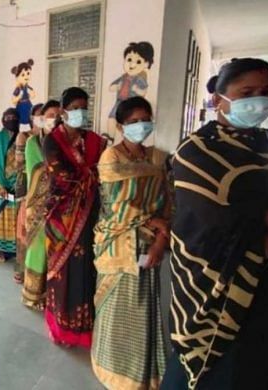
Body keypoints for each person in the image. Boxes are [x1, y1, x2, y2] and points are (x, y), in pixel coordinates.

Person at [162, 58, 268, 390]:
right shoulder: (196, 152)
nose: (259, 100)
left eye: (266, 92)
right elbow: (215, 227)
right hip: (218, 289)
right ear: (219, 99)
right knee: (226, 372)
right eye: (247, 92)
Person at [91, 96, 169, 389]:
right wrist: (150, 221)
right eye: (133, 121)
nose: (140, 126)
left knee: (143, 307)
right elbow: (114, 205)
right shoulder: (111, 158)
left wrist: (161, 239)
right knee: (115, 310)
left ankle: (142, 373)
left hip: (150, 243)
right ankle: (111, 368)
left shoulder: (159, 159)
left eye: (145, 120)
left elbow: (168, 204)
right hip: (117, 242)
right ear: (121, 125)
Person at [43, 87, 105, 348]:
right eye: (75, 107)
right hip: (62, 217)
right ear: (64, 111)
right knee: (63, 274)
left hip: (90, 215)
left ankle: (85, 330)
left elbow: (106, 169)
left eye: (84, 107)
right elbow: (62, 176)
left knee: (87, 270)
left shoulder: (93, 140)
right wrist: (92, 174)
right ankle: (62, 328)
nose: (80, 112)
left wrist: (92, 174)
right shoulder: (52, 141)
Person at [21, 100, 59, 310]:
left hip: (61, 206)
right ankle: (33, 294)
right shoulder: (33, 143)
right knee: (37, 249)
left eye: (59, 115)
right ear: (43, 118)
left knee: (56, 250)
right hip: (38, 206)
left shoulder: (63, 142)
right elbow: (40, 171)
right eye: (51, 114)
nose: (55, 118)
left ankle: (52, 295)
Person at [14, 103, 43, 283]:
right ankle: (21, 270)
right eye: (38, 115)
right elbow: (19, 163)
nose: (43, 119)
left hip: (43, 189)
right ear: (32, 117)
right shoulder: (25, 137)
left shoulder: (51, 138)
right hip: (26, 186)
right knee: (24, 228)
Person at [0, 108, 20, 262]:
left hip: (19, 184)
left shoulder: (23, 137)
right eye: (7, 117)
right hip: (1, 181)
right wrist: (2, 184)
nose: (11, 120)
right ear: (3, 120)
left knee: (16, 217)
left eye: (14, 117)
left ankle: (16, 250)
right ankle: (1, 250)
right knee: (1, 217)